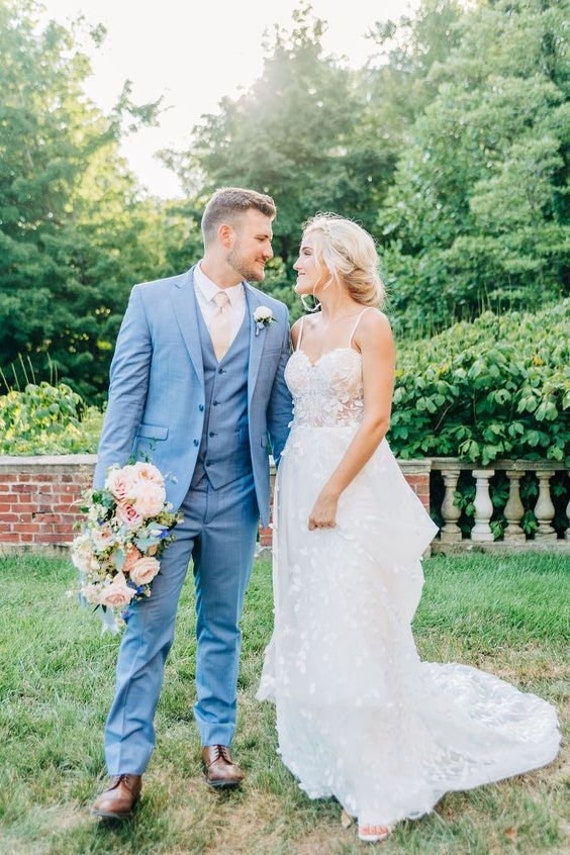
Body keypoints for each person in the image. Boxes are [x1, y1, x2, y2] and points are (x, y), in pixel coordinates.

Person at [256, 213, 561, 844]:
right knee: (314, 612)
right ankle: (330, 746)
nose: (295, 262)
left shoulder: (372, 327)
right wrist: (295, 488)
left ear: (338, 260)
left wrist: (333, 490)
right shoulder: (297, 328)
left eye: (307, 252)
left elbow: (376, 419)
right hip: (299, 477)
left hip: (351, 480)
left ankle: (379, 780)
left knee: (360, 614)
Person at [90, 187, 293, 819]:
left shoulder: (274, 314)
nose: (270, 250)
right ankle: (126, 769)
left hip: (237, 498)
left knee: (223, 628)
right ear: (226, 236)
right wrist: (110, 509)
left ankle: (217, 743)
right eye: (261, 238)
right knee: (146, 634)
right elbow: (123, 406)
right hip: (160, 502)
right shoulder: (152, 301)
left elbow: (282, 420)